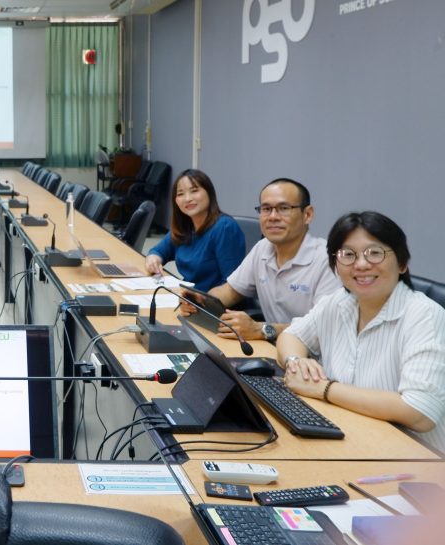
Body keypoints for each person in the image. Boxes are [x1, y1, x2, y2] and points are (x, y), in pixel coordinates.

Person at [277, 211, 445, 451]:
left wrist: (324, 389)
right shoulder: (339, 303)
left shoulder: (423, 315)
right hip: (354, 440)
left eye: (375, 253)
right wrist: (296, 362)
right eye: (348, 255)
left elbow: (420, 411)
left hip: (416, 461)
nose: (362, 264)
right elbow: (291, 335)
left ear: (402, 263)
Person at [178, 178, 339, 341]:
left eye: (283, 208)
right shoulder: (263, 248)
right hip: (273, 348)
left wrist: (262, 329)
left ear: (307, 214)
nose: (273, 217)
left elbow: (322, 328)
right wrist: (202, 302)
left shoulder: (327, 261)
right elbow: (229, 292)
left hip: (314, 358)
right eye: (266, 209)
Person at [144, 169, 245, 293]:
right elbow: (158, 251)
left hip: (215, 305)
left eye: (194, 191)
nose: (187, 199)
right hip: (189, 298)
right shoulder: (185, 226)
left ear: (209, 193)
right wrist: (153, 258)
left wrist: (202, 302)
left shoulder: (224, 228)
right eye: (180, 194)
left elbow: (232, 286)